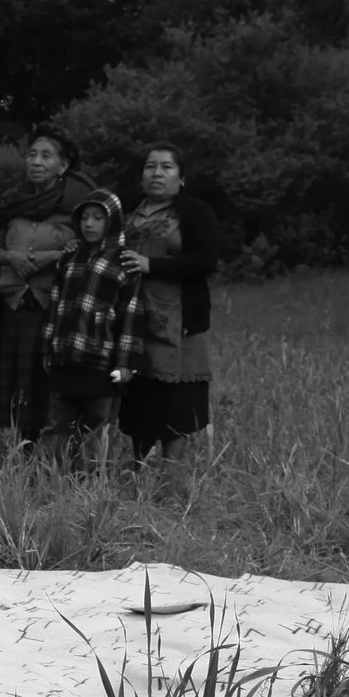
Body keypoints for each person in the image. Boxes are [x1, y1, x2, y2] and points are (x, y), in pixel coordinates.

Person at [0, 127, 97, 446]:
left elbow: (89, 245)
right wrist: (11, 255)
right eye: (32, 154)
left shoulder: (77, 204)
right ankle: (20, 447)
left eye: (46, 156)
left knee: (46, 378)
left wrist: (50, 256)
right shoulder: (13, 201)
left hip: (53, 307)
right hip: (12, 304)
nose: (36, 161)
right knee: (14, 378)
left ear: (63, 166)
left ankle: (55, 446)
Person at [118, 144, 220, 462]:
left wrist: (153, 266)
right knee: (138, 393)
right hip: (133, 315)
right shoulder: (126, 212)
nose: (157, 173)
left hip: (179, 318)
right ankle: (136, 467)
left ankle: (171, 475)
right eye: (150, 167)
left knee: (176, 399)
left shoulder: (194, 212)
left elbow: (207, 260)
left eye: (166, 167)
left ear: (181, 178)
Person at [42, 191, 146, 471]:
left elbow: (131, 315)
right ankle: (52, 478)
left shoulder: (124, 261)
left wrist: (126, 363)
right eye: (85, 217)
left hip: (102, 361)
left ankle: (92, 483)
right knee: (57, 424)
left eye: (98, 218)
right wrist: (48, 346)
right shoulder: (69, 258)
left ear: (112, 221)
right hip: (65, 356)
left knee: (98, 427)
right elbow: (55, 305)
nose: (90, 224)